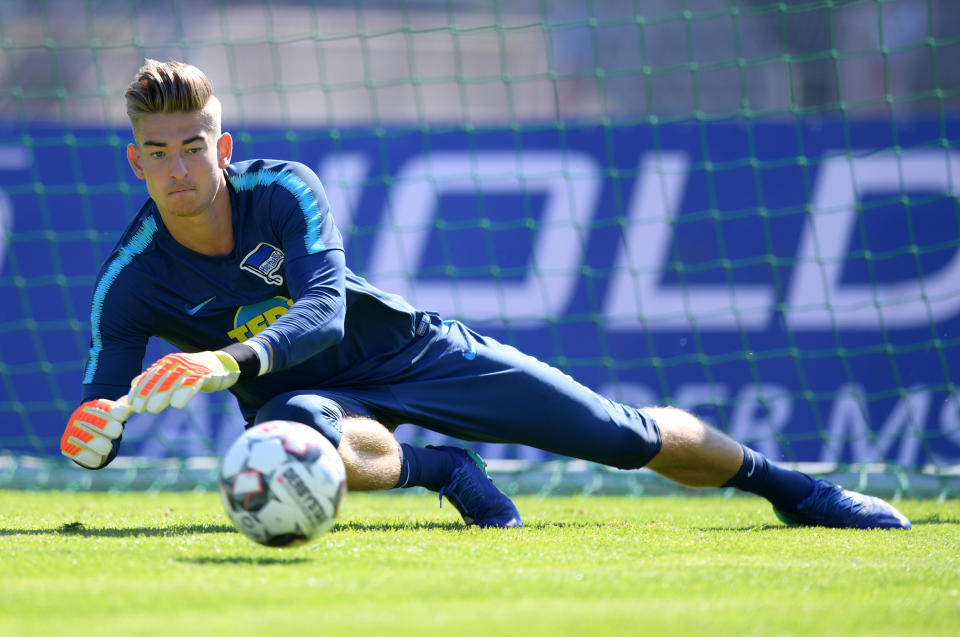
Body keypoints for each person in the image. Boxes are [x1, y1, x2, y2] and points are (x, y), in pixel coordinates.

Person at [60, 59, 911, 531]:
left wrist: (223, 360)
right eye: (159, 151)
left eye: (194, 145)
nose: (179, 167)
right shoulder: (129, 279)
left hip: (414, 349)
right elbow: (100, 414)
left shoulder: (285, 189)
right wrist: (95, 437)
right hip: (304, 395)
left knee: (620, 435)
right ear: (135, 159)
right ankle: (440, 468)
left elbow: (321, 310)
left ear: (223, 144)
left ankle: (797, 490)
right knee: (291, 435)